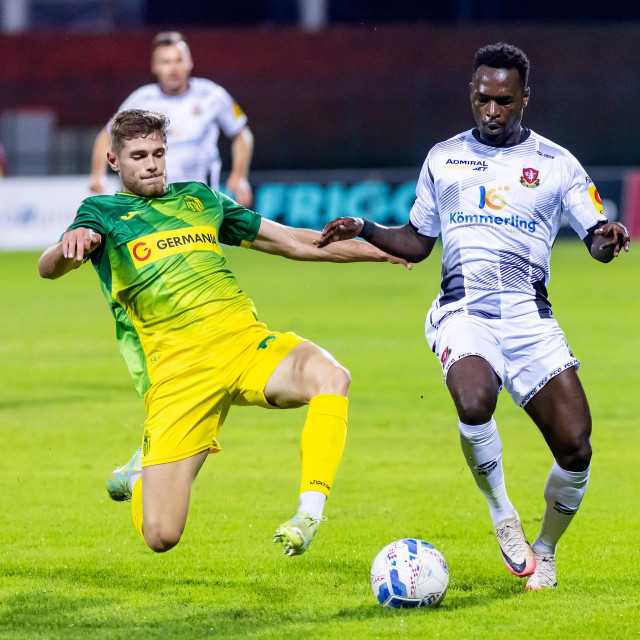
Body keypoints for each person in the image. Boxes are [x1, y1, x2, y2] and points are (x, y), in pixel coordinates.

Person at [316, 42, 630, 590]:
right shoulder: (444, 158)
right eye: (483, 99)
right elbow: (416, 243)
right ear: (471, 94)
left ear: (525, 99)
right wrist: (365, 227)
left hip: (530, 321)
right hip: (463, 311)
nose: (491, 111)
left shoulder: (557, 164)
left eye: (504, 101)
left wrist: (609, 238)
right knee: (473, 397)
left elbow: (597, 238)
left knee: (576, 448)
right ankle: (502, 511)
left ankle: (546, 549)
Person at [40, 109, 408, 556]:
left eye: (158, 152)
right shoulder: (101, 211)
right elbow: (48, 268)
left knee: (332, 377)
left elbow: (292, 240)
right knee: (161, 535)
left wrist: (380, 249)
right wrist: (69, 247)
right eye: (139, 156)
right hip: (179, 375)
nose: (152, 164)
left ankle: (309, 512)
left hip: (244, 343)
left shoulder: (199, 199)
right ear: (115, 161)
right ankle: (141, 477)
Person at [89, 31, 254, 207]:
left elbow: (242, 134)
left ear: (189, 62)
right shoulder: (140, 99)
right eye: (166, 62)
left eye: (178, 60)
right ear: (155, 66)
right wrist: (98, 174)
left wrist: (240, 175)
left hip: (201, 199)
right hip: (153, 200)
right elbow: (107, 136)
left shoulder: (212, 95)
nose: (173, 69)